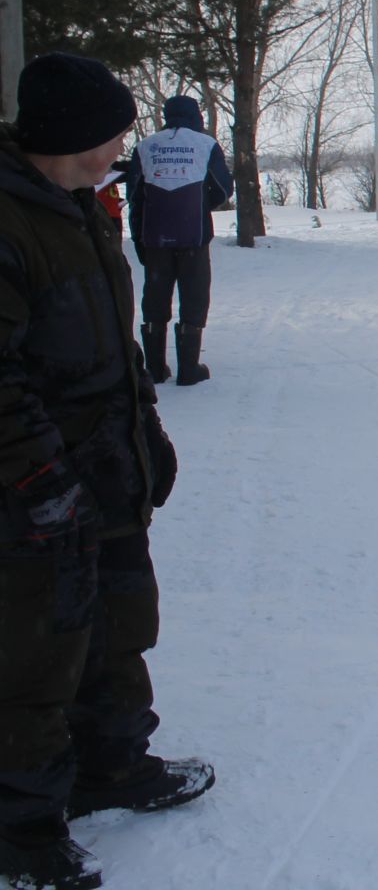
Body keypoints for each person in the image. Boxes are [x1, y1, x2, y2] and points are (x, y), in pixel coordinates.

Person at [1, 54, 215, 890]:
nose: (122, 147)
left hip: (106, 458)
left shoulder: (85, 210)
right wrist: (35, 479)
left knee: (120, 618)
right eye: (111, 133)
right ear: (68, 135)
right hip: (36, 476)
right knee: (36, 648)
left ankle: (113, 763)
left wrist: (146, 427)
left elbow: (117, 337)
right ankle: (19, 832)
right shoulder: (12, 222)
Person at [125, 96, 233, 388]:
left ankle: (155, 368)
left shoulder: (146, 146)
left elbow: (133, 193)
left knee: (155, 295)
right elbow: (224, 188)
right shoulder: (205, 144)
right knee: (194, 293)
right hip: (193, 235)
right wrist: (200, 205)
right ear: (195, 115)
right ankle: (189, 368)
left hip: (155, 235)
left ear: (166, 115)